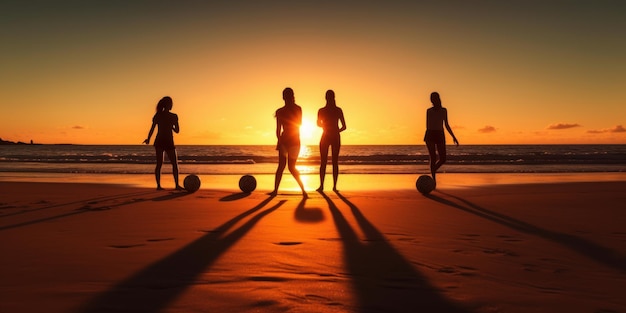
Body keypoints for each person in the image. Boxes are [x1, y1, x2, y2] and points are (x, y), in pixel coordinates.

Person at [269, 87, 307, 197]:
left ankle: (303, 190)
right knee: (281, 166)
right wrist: (279, 141)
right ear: (283, 97)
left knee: (291, 167)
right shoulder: (280, 111)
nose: (286, 98)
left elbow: (299, 123)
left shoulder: (297, 109)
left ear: (291, 96)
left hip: (294, 140)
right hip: (285, 140)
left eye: (288, 95)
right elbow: (278, 129)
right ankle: (275, 190)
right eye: (285, 96)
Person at [143, 96, 183, 191]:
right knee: (174, 164)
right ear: (168, 105)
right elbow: (177, 131)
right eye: (171, 103)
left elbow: (152, 129)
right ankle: (176, 185)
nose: (172, 105)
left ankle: (159, 186)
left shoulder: (158, 115)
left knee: (160, 164)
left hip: (160, 141)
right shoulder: (173, 116)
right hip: (168, 141)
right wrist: (171, 126)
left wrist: (148, 139)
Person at [424, 91, 459, 187]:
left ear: (438, 99)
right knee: (433, 157)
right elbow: (428, 125)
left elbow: (446, 124)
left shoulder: (444, 110)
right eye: (431, 98)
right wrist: (430, 135)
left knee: (443, 158)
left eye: (434, 98)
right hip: (430, 133)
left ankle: (433, 170)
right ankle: (433, 180)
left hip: (440, 134)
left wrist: (453, 136)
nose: (432, 100)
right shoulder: (429, 111)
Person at [316, 90, 346, 192]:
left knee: (331, 162)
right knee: (327, 162)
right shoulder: (323, 110)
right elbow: (318, 123)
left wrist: (333, 130)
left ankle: (331, 186)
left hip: (331, 136)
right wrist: (335, 130)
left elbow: (344, 126)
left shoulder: (336, 110)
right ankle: (324, 186)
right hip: (330, 135)